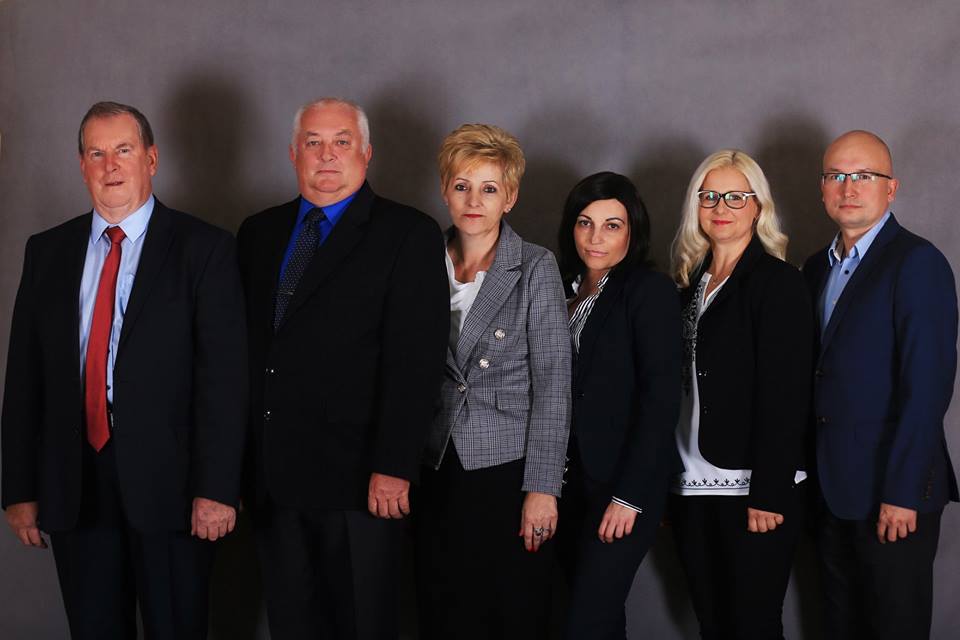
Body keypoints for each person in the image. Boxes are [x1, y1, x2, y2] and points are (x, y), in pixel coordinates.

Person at [1, 101, 248, 639]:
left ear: (151, 159)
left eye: (123, 150)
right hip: (74, 485)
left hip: (174, 491)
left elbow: (225, 384)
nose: (110, 165)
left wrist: (217, 488)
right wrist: (18, 489)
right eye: (96, 153)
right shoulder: (47, 252)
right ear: (81, 165)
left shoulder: (204, 249)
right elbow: (23, 382)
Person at [237, 97, 449, 640]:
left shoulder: (408, 233)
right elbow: (248, 358)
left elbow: (416, 360)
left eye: (341, 142)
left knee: (361, 624)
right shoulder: (258, 233)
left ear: (367, 153)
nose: (327, 155)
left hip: (361, 481)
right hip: (274, 481)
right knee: (292, 625)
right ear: (293, 153)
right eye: (313, 142)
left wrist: (395, 463)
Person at [415, 123, 571, 640]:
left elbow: (553, 386)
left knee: (508, 611)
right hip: (432, 464)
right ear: (444, 190)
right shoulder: (419, 259)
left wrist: (543, 489)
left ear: (511, 197)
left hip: (506, 470)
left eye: (489, 188)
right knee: (442, 607)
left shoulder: (535, 267)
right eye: (462, 186)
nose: (473, 200)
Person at [803, 130, 958, 639]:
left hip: (892, 495)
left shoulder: (917, 263)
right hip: (830, 492)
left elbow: (927, 388)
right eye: (836, 176)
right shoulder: (814, 269)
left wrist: (903, 492)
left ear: (891, 188)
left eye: (864, 175)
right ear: (822, 188)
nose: (849, 187)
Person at [669, 149, 812, 639]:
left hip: (755, 486)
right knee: (713, 624)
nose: (720, 207)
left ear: (758, 206)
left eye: (734, 196)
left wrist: (770, 492)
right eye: (709, 196)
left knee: (752, 625)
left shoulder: (778, 283)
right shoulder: (689, 283)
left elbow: (786, 395)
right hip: (691, 482)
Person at [555, 172, 681, 639]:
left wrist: (629, 496)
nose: (596, 237)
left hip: (622, 484)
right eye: (585, 223)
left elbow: (660, 399)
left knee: (586, 620)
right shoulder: (562, 290)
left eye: (612, 225)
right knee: (593, 618)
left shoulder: (648, 290)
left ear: (633, 231)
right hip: (566, 482)